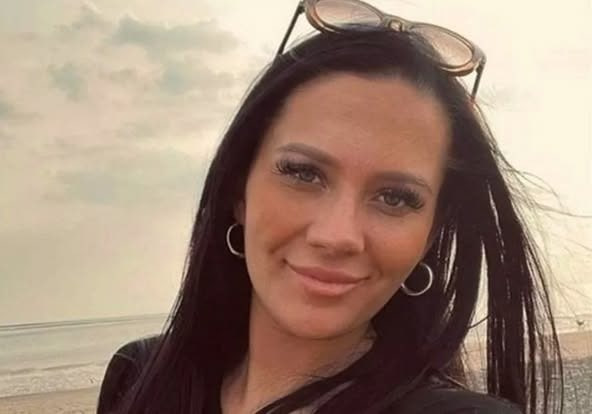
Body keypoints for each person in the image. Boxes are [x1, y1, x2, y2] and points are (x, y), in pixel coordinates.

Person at [97, 1, 564, 413]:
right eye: (304, 173)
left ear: (430, 233)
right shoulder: (140, 378)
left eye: (396, 198)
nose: (337, 235)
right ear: (239, 190)